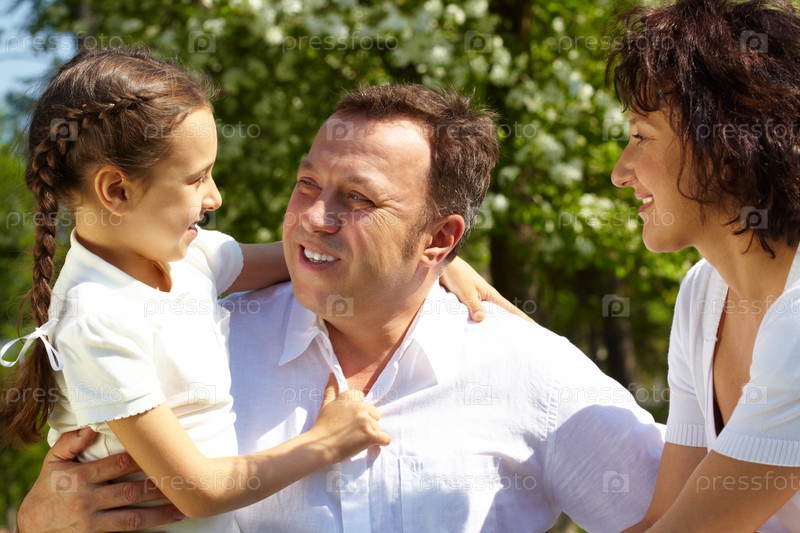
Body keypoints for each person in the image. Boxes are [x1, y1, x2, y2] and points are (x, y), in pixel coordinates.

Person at [17, 84, 665, 532]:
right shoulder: (199, 340)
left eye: (357, 199)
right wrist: (34, 524)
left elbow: (683, 517)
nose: (312, 219)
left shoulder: (527, 366)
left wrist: (435, 266)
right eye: (307, 184)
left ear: (440, 237)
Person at [0, 46, 394, 533]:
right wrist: (326, 442)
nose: (215, 197)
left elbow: (307, 259)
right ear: (117, 191)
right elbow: (197, 492)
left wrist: (430, 262)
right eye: (197, 178)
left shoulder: (191, 257)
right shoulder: (97, 316)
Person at [607, 0, 800, 530]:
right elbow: (663, 518)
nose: (620, 172)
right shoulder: (701, 295)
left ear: (730, 147)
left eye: (640, 137)